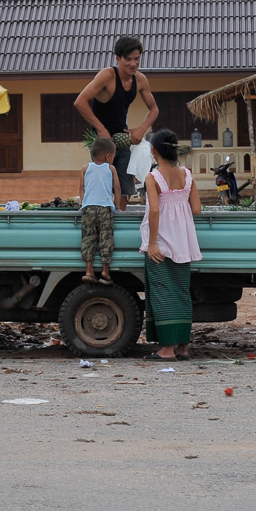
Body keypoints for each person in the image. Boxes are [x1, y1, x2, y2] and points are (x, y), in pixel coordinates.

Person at [138, 129, 201, 361]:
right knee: (182, 293)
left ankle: (166, 350)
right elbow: (197, 209)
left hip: (161, 243)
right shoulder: (187, 174)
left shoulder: (153, 177)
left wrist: (152, 243)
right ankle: (183, 347)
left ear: (153, 151)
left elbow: (154, 209)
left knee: (163, 294)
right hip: (183, 243)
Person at [75, 35, 158, 209]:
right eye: (128, 59)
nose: (133, 64)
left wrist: (141, 129)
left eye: (137, 59)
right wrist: (100, 129)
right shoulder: (107, 75)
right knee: (102, 181)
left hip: (122, 136)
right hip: (101, 141)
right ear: (118, 59)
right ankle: (101, 215)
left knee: (125, 183)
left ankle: (119, 216)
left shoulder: (140, 80)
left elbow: (154, 109)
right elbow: (80, 102)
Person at [79, 134, 122, 284]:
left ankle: (89, 270)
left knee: (88, 238)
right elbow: (117, 188)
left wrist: (84, 203)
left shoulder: (85, 168)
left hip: (88, 208)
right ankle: (105, 270)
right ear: (108, 156)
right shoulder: (111, 168)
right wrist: (117, 206)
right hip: (105, 208)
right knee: (106, 238)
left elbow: (82, 189)